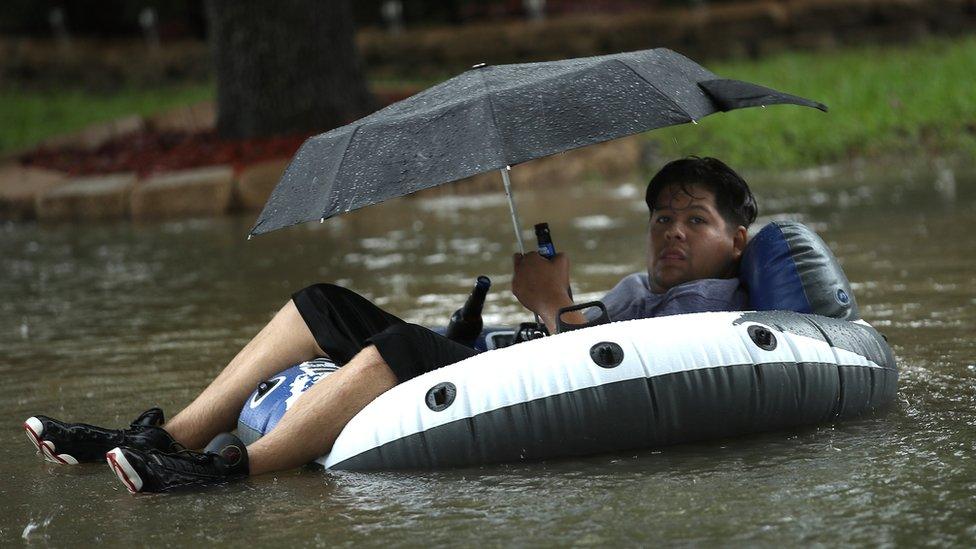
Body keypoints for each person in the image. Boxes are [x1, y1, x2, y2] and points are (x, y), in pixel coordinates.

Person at [24, 156, 757, 493]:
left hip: (534, 393)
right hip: (513, 366)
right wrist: (530, 313)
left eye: (696, 219)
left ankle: (225, 470)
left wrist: (545, 302)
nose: (672, 232)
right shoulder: (637, 286)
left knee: (400, 347)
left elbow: (612, 383)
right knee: (323, 302)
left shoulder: (714, 305)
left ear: (737, 239)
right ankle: (161, 437)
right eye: (663, 217)